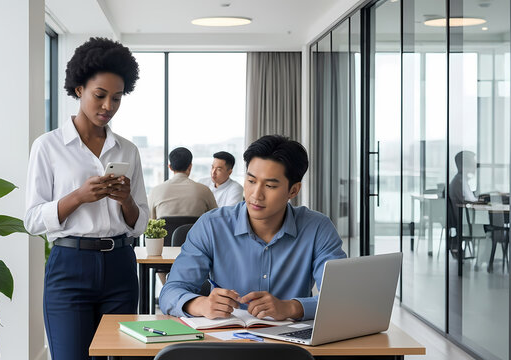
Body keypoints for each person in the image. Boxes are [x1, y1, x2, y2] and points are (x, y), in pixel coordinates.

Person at [24, 37, 149, 360]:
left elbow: (140, 223)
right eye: (100, 95)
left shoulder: (128, 150)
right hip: (69, 268)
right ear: (79, 89)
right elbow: (33, 219)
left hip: (121, 266)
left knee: (124, 358)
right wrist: (78, 197)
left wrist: (126, 201)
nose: (108, 106)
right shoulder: (48, 147)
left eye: (117, 98)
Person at [159, 135, 346, 321]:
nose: (256, 195)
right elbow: (170, 292)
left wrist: (291, 307)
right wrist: (202, 304)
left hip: (292, 346)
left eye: (270, 185)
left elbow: (340, 297)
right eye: (251, 181)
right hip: (225, 342)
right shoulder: (212, 225)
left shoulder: (317, 228)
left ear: (293, 190)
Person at [148, 147, 218, 219]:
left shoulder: (155, 191)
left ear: (170, 167)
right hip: (196, 230)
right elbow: (216, 219)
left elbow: (149, 223)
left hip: (165, 230)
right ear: (190, 166)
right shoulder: (204, 191)